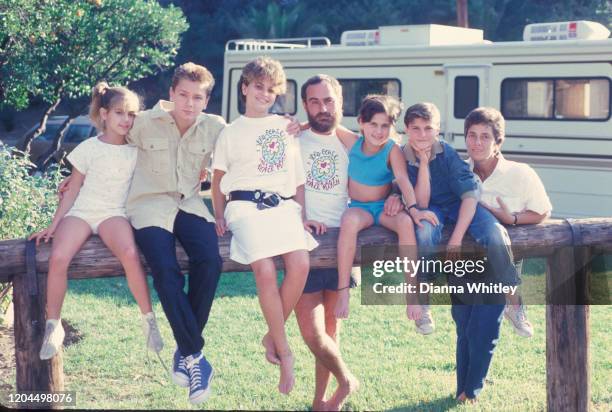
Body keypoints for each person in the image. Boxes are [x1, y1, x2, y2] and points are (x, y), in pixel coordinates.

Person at [30, 82, 164, 362]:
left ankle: (149, 321)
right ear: (104, 114)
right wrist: (54, 225)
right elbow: (74, 190)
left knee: (129, 253)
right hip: (81, 212)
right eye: (119, 113)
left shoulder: (136, 149)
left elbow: (166, 116)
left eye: (131, 114)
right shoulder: (88, 148)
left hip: (113, 213)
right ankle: (53, 327)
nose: (126, 120)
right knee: (58, 258)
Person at [211, 57, 317, 395]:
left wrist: (301, 212)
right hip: (243, 207)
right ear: (245, 88)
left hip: (283, 207)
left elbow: (298, 179)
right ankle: (285, 352)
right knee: (266, 270)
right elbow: (217, 182)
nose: (264, 94)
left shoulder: (285, 128)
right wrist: (218, 213)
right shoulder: (230, 132)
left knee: (300, 264)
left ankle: (272, 334)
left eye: (271, 90)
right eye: (258, 87)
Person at [335, 95, 438, 322]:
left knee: (404, 223)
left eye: (385, 126)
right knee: (349, 221)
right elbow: (332, 124)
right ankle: (343, 291)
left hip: (383, 208)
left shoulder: (392, 149)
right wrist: (299, 124)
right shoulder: (353, 142)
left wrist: (413, 210)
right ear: (361, 122)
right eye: (373, 124)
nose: (379, 132)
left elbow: (402, 180)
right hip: (360, 209)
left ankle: (412, 293)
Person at [294, 74, 359, 411]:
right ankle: (347, 380)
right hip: (303, 243)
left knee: (331, 331)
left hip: (341, 246)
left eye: (329, 100)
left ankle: (321, 401)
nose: (323, 108)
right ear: (306, 105)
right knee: (311, 331)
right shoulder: (294, 140)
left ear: (340, 103)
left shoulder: (353, 144)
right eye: (315, 102)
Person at [465, 107, 552, 337]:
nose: (477, 143)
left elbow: (541, 212)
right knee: (467, 332)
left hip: (505, 264)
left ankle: (514, 304)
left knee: (486, 334)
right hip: (466, 266)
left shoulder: (521, 173)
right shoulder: (460, 173)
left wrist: (511, 218)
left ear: (498, 142)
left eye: (485, 137)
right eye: (472, 135)